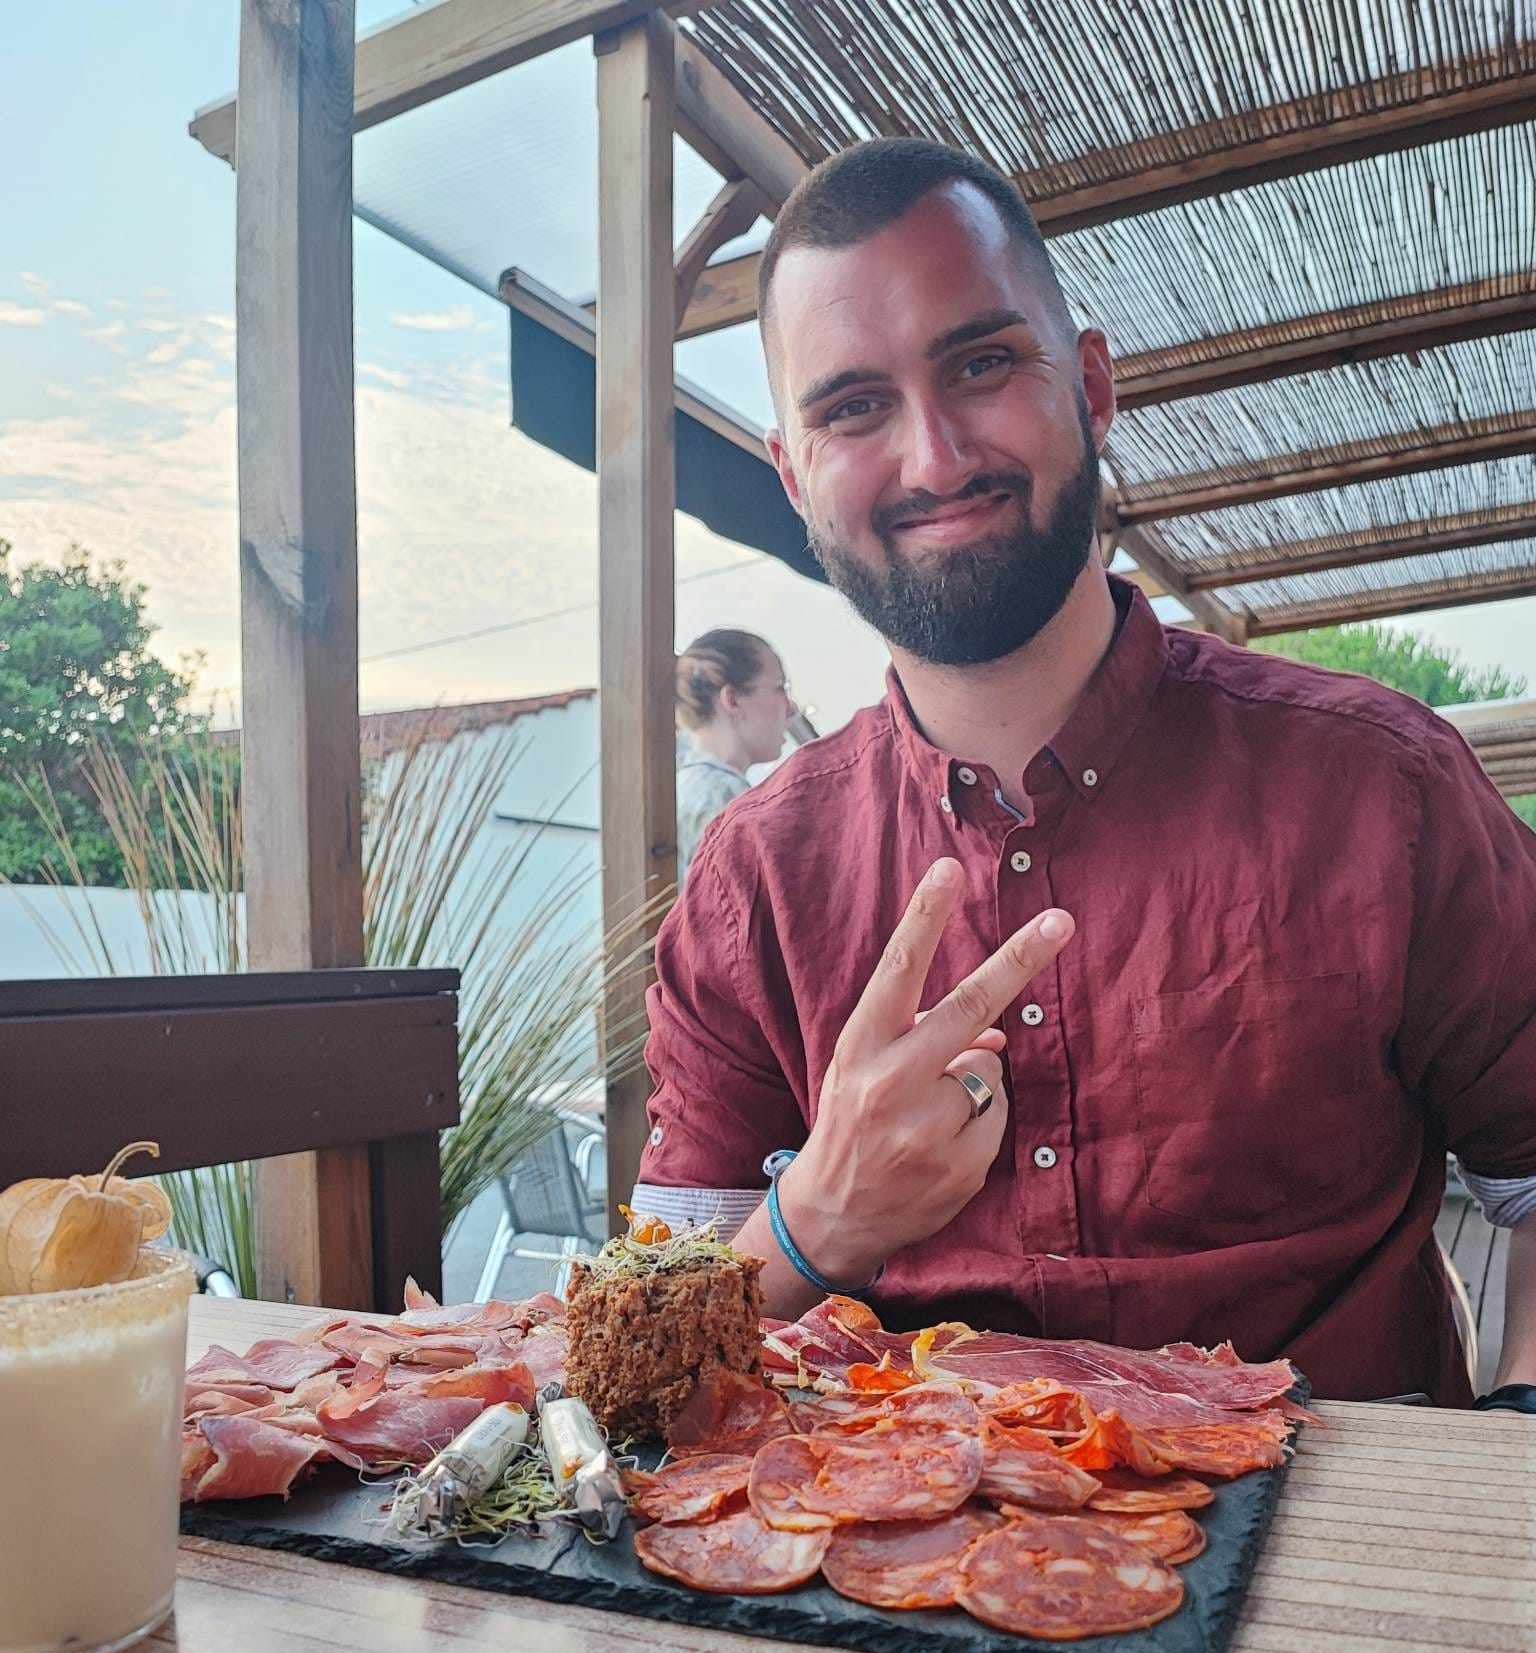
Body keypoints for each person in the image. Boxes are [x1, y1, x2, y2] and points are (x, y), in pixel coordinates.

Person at [632, 137, 1536, 1408]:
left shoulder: (1384, 787)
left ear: (1092, 388)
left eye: (984, 364)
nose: (935, 458)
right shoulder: (751, 881)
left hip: (1338, 1555)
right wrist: (810, 1225)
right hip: (884, 1580)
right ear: (793, 473)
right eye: (852, 407)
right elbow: (651, 1344)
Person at [674, 629, 794, 872]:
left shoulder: (691, 787)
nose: (790, 707)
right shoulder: (722, 798)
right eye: (780, 687)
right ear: (733, 699)